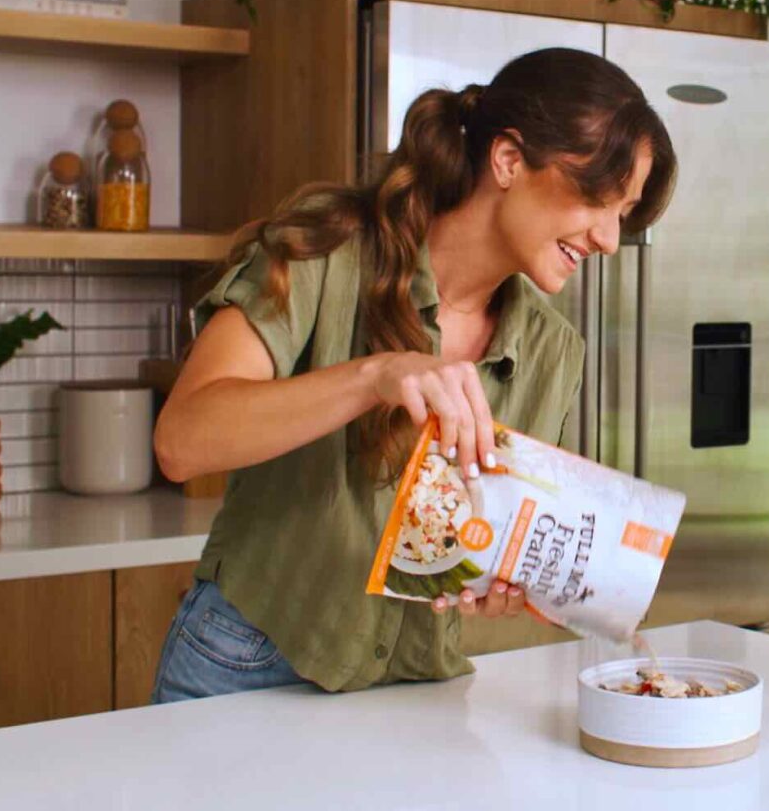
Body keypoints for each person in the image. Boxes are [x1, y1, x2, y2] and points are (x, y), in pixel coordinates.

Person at [149, 48, 676, 702]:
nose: (607, 238)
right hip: (244, 664)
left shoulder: (552, 349)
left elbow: (477, 543)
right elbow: (182, 442)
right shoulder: (327, 251)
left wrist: (500, 582)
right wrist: (377, 375)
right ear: (509, 161)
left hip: (414, 689)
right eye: (599, 197)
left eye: (623, 213)